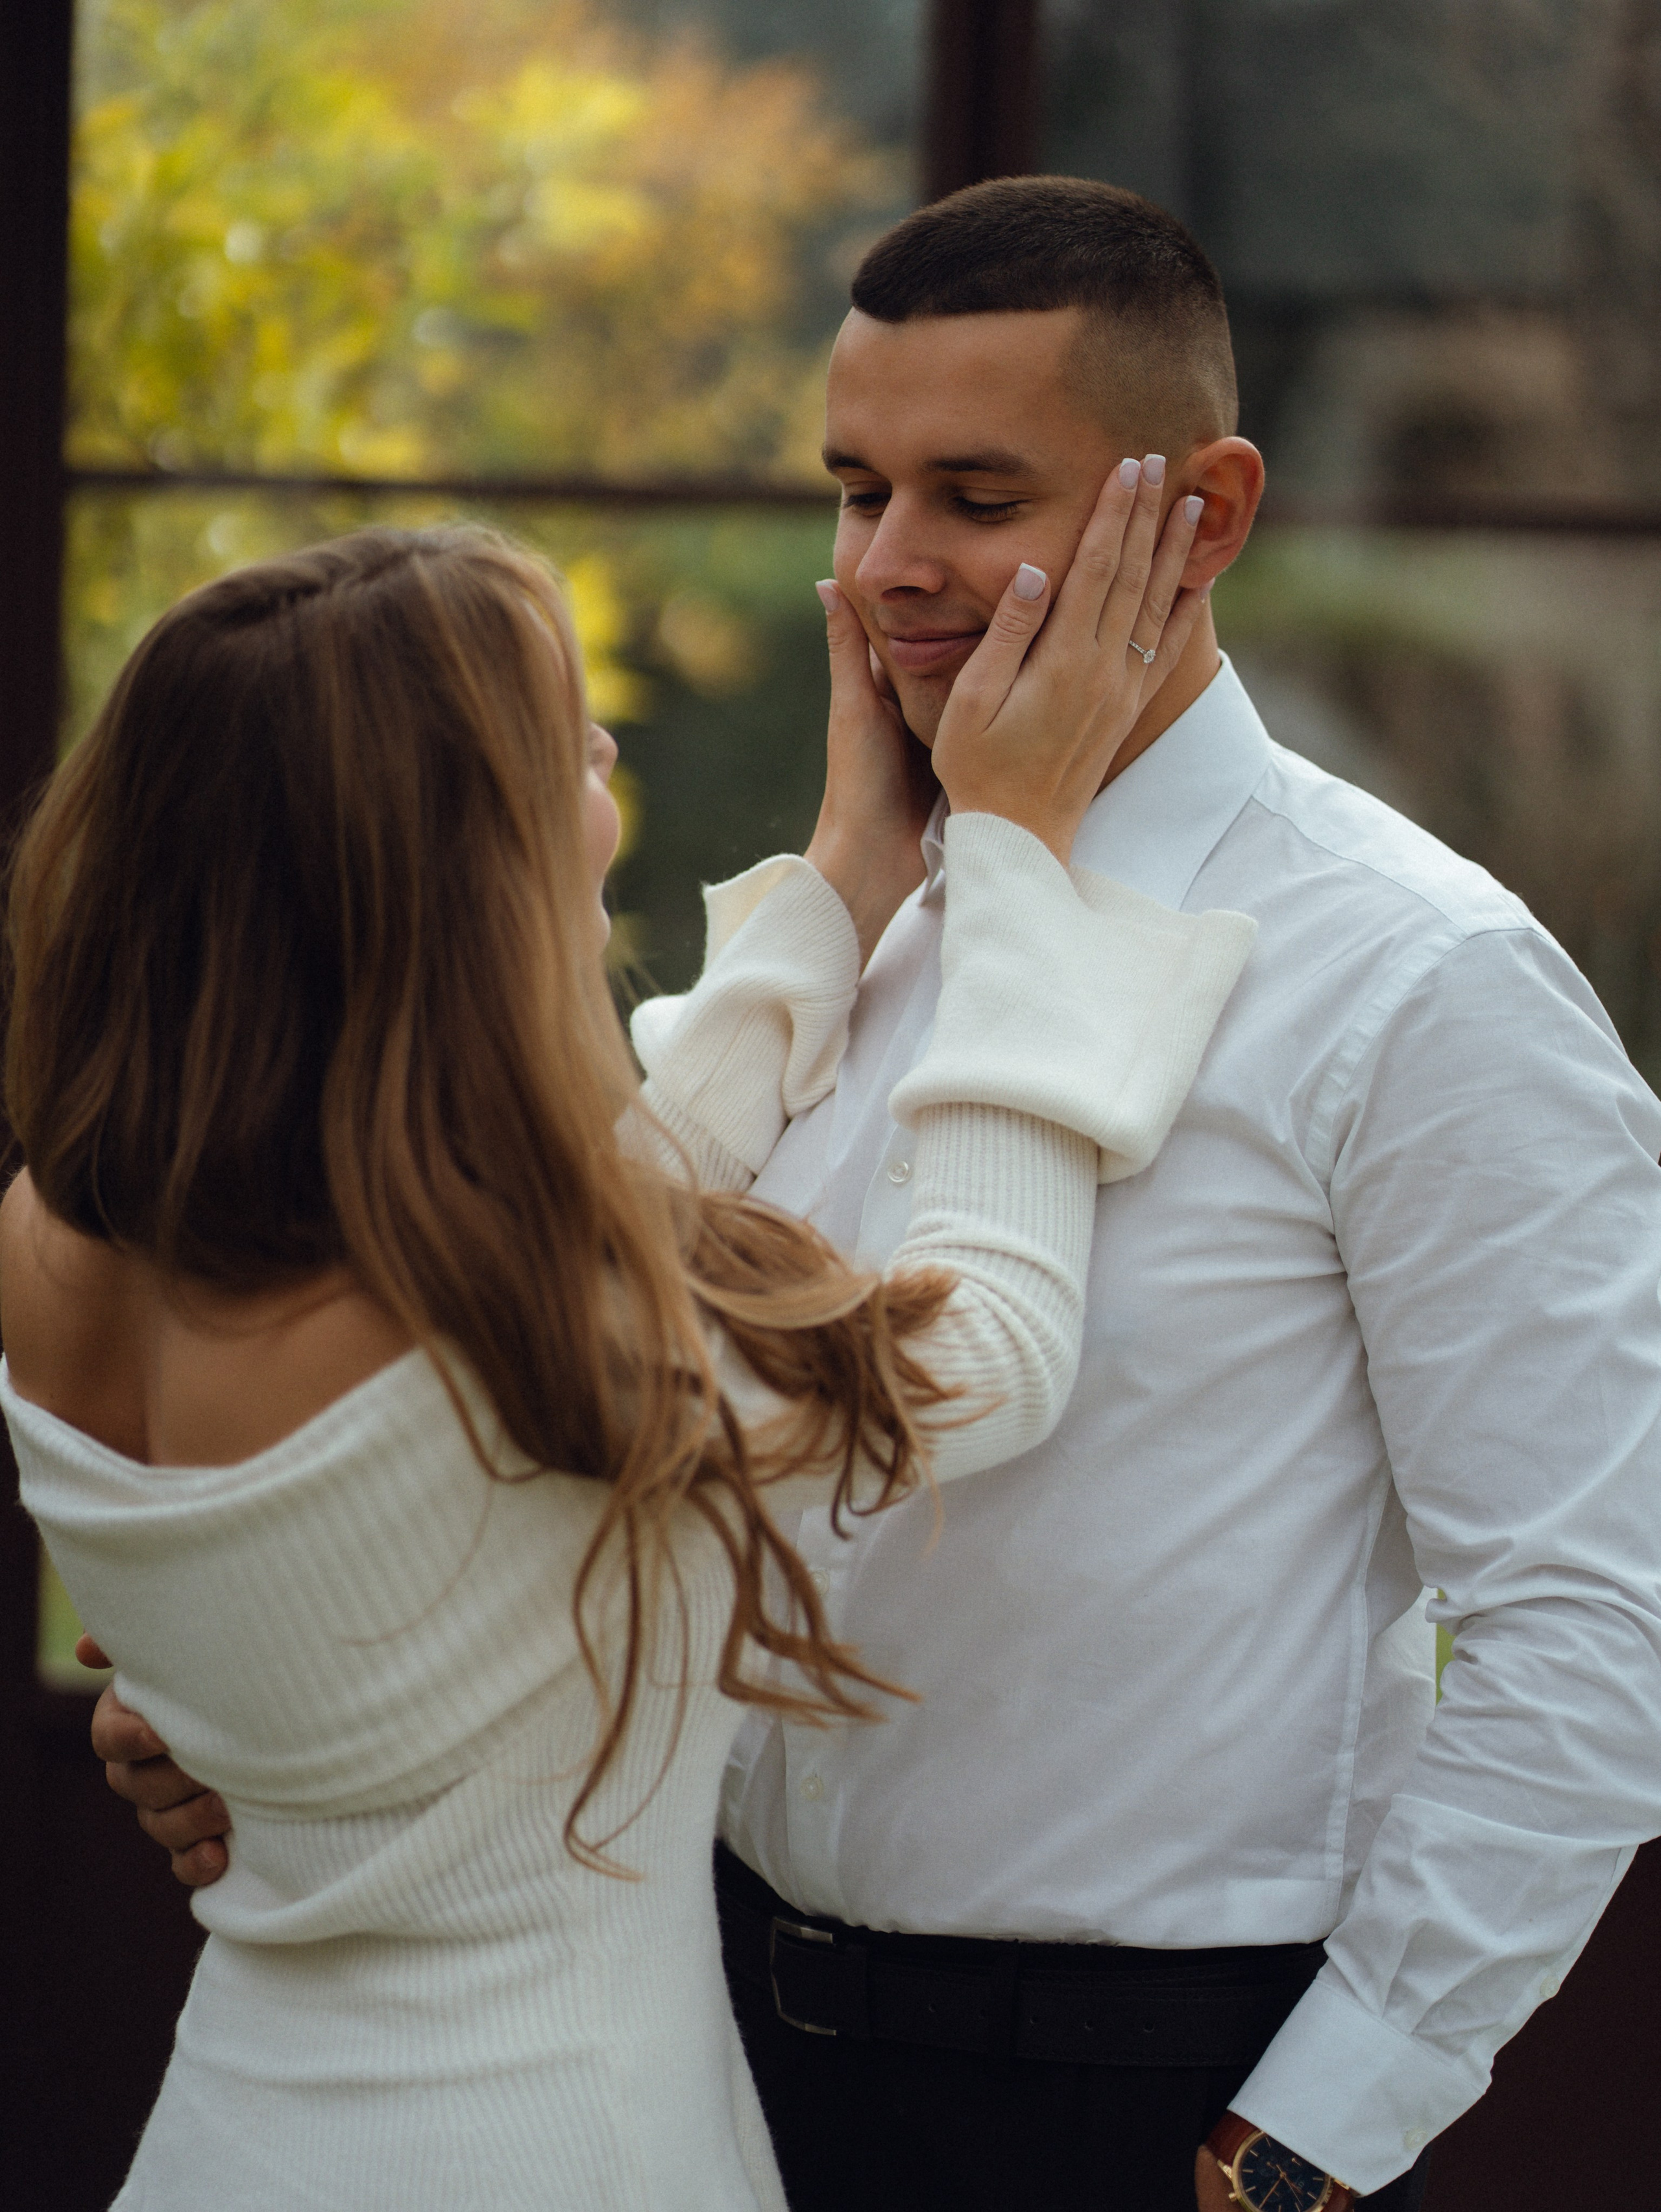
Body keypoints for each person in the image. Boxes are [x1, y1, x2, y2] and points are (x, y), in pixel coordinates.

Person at [92, 177, 1661, 2211]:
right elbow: (535, 1410)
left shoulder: (1421, 978)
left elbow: (1587, 1618)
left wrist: (1322, 2127)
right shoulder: (850, 921)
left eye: (976, 498)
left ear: (1208, 512)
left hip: (1131, 2093)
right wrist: (260, 1704)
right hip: (696, 2040)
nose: (893, 568)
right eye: (855, 491)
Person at [8, 508, 1250, 2211]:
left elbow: (527, 1267)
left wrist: (835, 890)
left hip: (237, 2133)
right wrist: (1016, 869)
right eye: (562, 740)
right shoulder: (544, 1317)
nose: (605, 756)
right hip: (560, 2146)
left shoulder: (63, 1238)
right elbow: (988, 1350)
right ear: (457, 861)